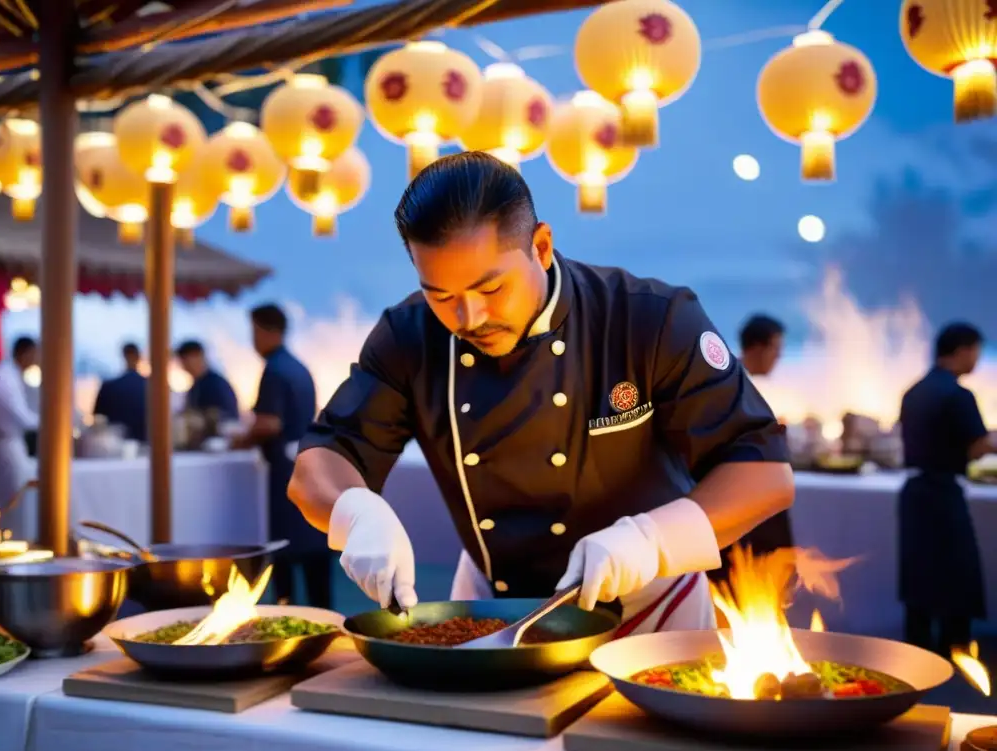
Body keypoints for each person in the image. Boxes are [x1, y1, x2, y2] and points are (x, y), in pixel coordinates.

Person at [288, 152, 794, 634]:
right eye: (441, 295)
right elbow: (322, 460)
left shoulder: (649, 318)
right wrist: (355, 512)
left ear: (542, 246)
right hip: (494, 608)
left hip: (653, 607)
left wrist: (651, 541)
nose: (468, 318)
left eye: (490, 289)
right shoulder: (409, 337)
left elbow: (762, 474)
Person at [898, 322, 995, 656]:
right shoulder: (959, 394)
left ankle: (917, 650)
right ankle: (955, 650)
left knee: (918, 574)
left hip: (913, 493)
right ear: (963, 350)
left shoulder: (913, 391)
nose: (976, 360)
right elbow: (978, 447)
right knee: (957, 572)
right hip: (945, 492)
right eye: (976, 352)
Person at [232, 304, 328, 607]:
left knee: (284, 547)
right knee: (314, 546)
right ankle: (324, 614)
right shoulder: (299, 368)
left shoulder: (274, 370)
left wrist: (241, 440)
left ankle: (285, 608)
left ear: (263, 330)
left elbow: (269, 423)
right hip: (308, 464)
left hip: (284, 472)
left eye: (254, 332)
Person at [707, 314, 794, 588]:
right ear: (758, 347)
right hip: (740, 499)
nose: (778, 358)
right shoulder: (730, 382)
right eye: (776, 350)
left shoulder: (741, 382)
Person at [0, 337, 39, 541]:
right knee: (11, 502)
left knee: (1, 502)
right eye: (36, 354)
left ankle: (4, 542)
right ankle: (10, 544)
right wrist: (56, 421)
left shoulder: (1, 376)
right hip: (5, 446)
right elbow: (24, 419)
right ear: (26, 353)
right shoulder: (6, 379)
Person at [93, 342, 147, 442]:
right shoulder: (151, 386)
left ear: (123, 356)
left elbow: (98, 417)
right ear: (139, 356)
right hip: (147, 442)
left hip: (115, 443)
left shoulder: (109, 386)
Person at [175, 340, 239, 420]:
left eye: (186, 359)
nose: (184, 364)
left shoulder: (215, 384)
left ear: (199, 356)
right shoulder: (196, 386)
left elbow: (226, 416)